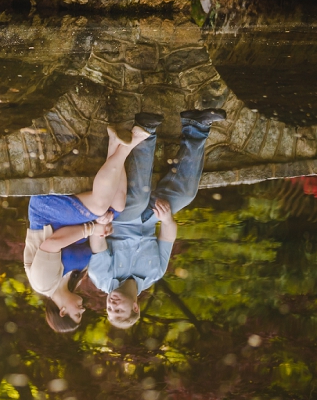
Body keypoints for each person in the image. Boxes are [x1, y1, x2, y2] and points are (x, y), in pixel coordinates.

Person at [88, 109, 227, 329]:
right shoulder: (155, 273)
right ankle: (197, 126)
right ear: (135, 307)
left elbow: (97, 243)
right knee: (185, 195)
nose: (111, 306)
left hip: (121, 217)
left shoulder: (101, 278)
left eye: (109, 310)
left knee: (138, 198)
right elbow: (167, 238)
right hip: (151, 219)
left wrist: (101, 226)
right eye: (118, 310)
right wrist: (168, 219)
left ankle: (146, 131)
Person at [24, 124, 150, 332]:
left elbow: (53, 243)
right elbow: (92, 243)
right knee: (117, 205)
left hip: (45, 212)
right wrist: (102, 229)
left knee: (100, 205)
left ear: (62, 311)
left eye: (77, 315)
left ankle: (128, 147)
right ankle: (114, 143)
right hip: (75, 219)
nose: (82, 311)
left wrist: (91, 228)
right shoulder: (76, 281)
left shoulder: (43, 284)